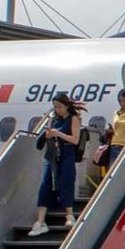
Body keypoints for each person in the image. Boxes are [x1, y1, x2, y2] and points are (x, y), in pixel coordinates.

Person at [29, 93, 83, 236]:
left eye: (59, 107)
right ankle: (40, 221)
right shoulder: (53, 119)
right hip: (52, 154)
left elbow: (75, 140)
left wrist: (58, 133)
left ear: (66, 106)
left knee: (66, 180)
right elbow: (49, 133)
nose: (57, 110)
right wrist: (48, 134)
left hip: (67, 152)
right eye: (55, 107)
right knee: (45, 183)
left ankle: (69, 215)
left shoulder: (73, 118)